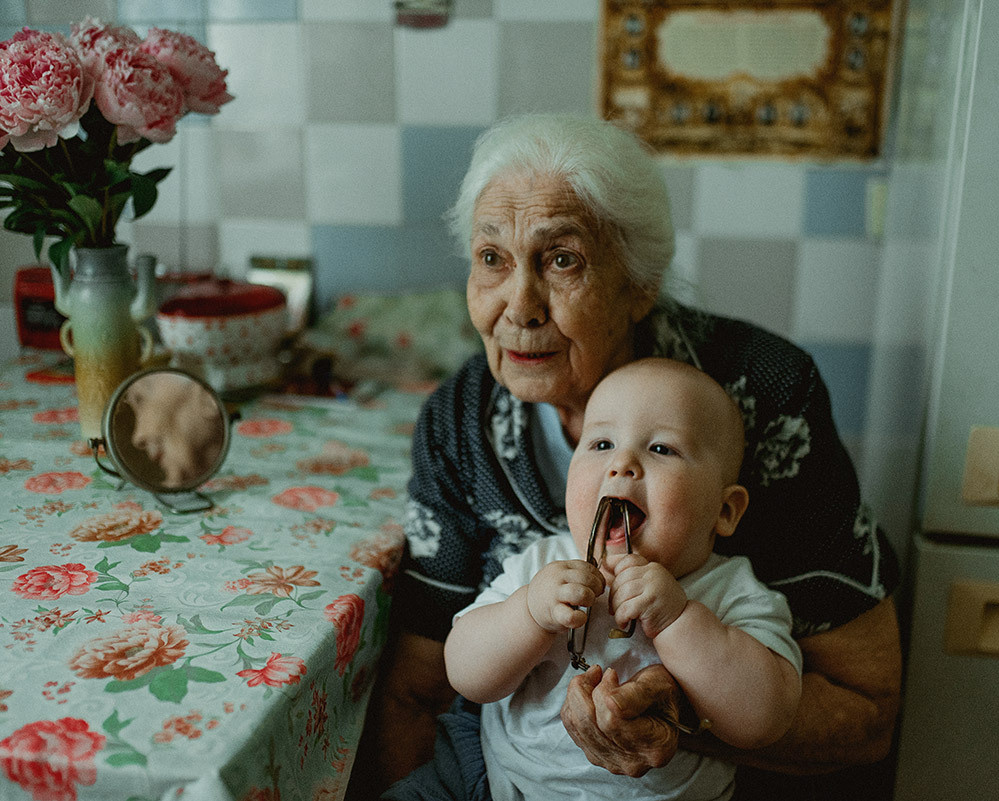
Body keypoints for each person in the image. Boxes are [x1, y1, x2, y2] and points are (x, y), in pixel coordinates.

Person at [351, 114, 901, 801]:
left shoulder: (760, 394)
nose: (518, 306)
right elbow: (422, 687)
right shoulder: (462, 423)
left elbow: (868, 714)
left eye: (562, 260)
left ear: (639, 283)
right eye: (492, 258)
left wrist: (682, 710)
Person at [438, 358, 802, 801]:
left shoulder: (731, 590)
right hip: (508, 784)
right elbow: (464, 671)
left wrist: (677, 620)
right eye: (601, 443)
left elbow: (763, 719)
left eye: (662, 449)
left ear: (724, 511)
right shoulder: (540, 566)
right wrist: (528, 612)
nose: (622, 464)